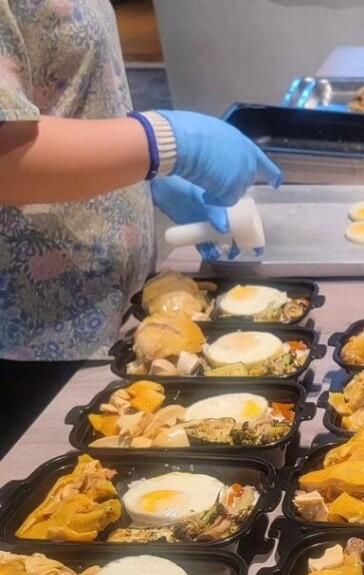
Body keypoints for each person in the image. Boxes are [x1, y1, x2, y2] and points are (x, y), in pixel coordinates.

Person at [0, 0, 280, 458]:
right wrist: (162, 142)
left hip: (102, 319)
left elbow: (59, 91)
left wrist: (139, 176)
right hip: (30, 343)